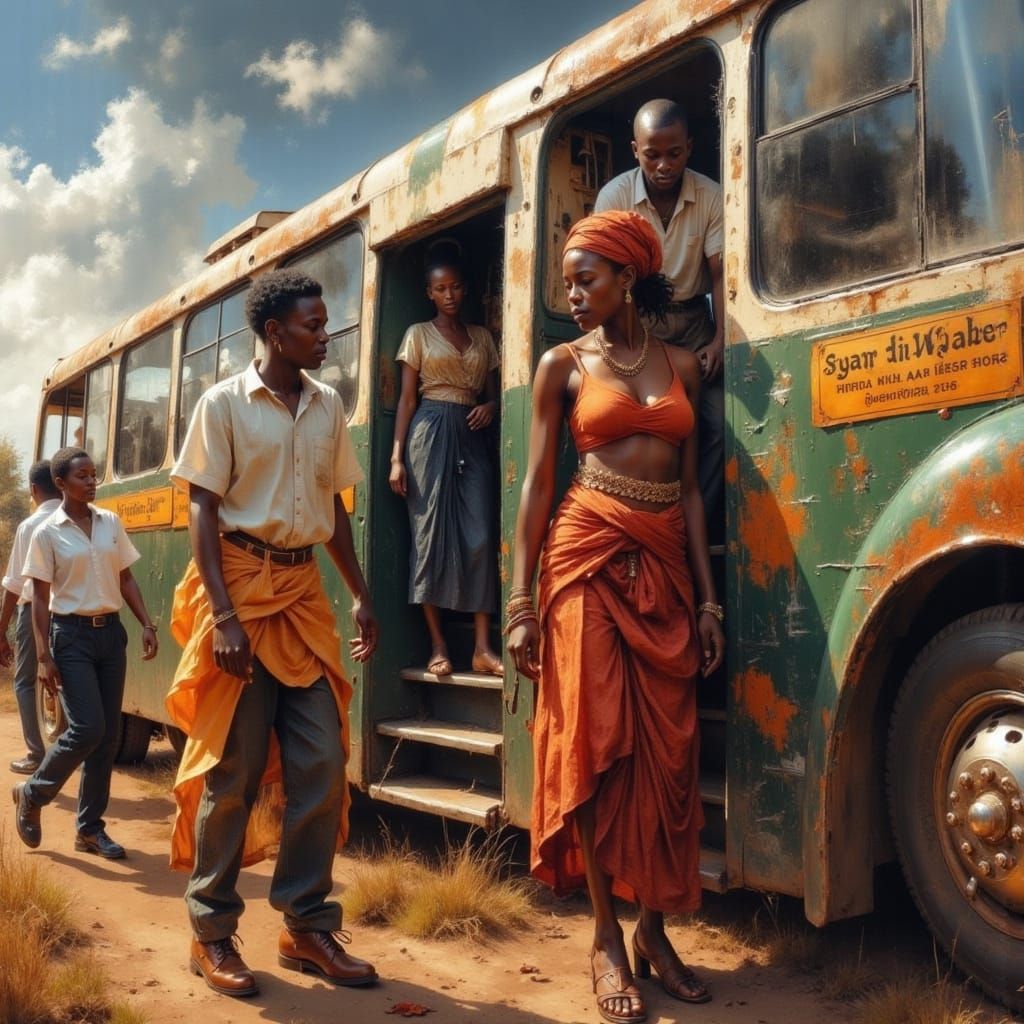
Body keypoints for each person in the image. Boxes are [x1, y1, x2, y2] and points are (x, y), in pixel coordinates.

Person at [507, 211, 725, 1024]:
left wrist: (708, 598)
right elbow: (537, 484)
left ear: (628, 277)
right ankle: (603, 937)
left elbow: (693, 492)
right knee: (593, 741)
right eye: (567, 281)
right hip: (584, 558)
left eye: (585, 279)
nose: (572, 294)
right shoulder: (560, 366)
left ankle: (652, 932)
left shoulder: (681, 365)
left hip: (665, 561)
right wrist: (520, 601)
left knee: (669, 753)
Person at [167, 268, 379, 999]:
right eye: (313, 326)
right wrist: (223, 616)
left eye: (325, 323)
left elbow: (334, 508)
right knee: (234, 773)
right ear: (274, 332)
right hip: (239, 593)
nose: (326, 336)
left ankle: (305, 926)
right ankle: (211, 932)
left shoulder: (327, 405)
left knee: (323, 762)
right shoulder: (223, 403)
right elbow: (202, 510)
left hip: (301, 596)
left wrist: (361, 595)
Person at [11, 447, 159, 860]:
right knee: (87, 728)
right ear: (61, 483)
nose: (92, 481)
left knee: (107, 738)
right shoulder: (46, 533)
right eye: (83, 476)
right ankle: (34, 794)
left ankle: (90, 830)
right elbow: (39, 600)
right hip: (70, 637)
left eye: (94, 474)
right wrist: (44, 656)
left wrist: (146, 623)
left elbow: (126, 578)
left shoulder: (110, 522)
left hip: (110, 635)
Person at [595, 98, 725, 524]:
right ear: (636, 151)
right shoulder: (614, 197)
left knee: (718, 423)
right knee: (641, 425)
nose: (664, 165)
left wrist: (720, 339)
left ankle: (693, 524)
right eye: (652, 155)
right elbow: (604, 277)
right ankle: (645, 523)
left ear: (690, 148)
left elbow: (720, 274)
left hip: (695, 323)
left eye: (674, 153)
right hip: (638, 324)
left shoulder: (711, 196)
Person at [389, 242, 502, 676]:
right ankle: (438, 645)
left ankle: (482, 648)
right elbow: (406, 400)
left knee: (480, 536)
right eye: (440, 288)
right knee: (429, 536)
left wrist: (490, 408)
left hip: (472, 435)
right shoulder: (417, 334)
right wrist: (397, 457)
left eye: (455, 287)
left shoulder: (483, 337)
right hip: (429, 431)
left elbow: (493, 395)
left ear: (465, 288)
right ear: (429, 293)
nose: (449, 295)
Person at [0, 460, 62, 774]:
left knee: (25, 682)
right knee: (69, 680)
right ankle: (70, 752)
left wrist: (1, 631)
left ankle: (36, 754)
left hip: (32, 613)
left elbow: (14, 585)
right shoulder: (79, 519)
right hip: (69, 613)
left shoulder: (29, 526)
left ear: (34, 489)